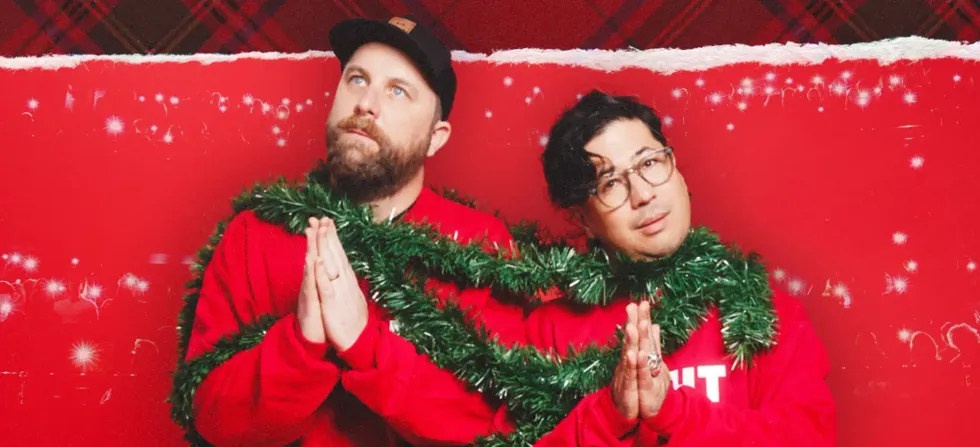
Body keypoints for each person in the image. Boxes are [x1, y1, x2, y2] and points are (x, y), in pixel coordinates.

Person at [183, 16, 527, 446]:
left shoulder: (481, 246)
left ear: (436, 138)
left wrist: (365, 343)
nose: (365, 103)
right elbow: (213, 416)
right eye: (357, 79)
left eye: (398, 91)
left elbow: (499, 422)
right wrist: (301, 343)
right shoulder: (254, 233)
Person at [529, 90, 837, 445]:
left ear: (675, 167)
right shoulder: (549, 333)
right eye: (610, 183)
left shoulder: (765, 312)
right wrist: (611, 413)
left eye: (649, 163)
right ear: (582, 220)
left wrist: (675, 413)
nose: (643, 194)